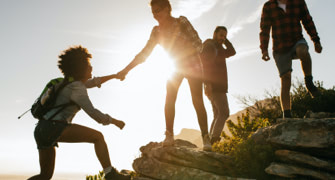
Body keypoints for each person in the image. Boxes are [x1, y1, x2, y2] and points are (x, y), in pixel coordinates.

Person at [117, 0, 212, 151]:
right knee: (170, 98)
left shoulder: (181, 22)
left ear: (168, 9)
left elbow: (198, 44)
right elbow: (144, 54)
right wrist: (125, 70)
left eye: (158, 10)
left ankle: (206, 138)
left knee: (197, 100)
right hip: (174, 66)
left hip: (192, 65)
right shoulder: (156, 31)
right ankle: (169, 135)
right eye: (153, 12)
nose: (155, 15)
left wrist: (184, 51)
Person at [28, 46, 130, 180]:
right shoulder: (77, 88)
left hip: (41, 129)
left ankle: (110, 173)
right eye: (89, 66)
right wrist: (114, 121)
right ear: (80, 69)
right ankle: (110, 173)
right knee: (98, 137)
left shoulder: (68, 83)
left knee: (44, 175)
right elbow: (93, 113)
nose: (91, 68)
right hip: (54, 127)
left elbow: (93, 82)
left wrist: (114, 76)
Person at [260, 0, 322, 118]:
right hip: (280, 47)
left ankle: (309, 82)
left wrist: (316, 40)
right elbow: (265, 29)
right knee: (286, 79)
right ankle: (287, 114)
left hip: (296, 40)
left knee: (303, 51)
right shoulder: (269, 6)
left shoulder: (298, 2)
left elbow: (307, 21)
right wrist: (264, 49)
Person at [201, 26, 236, 144]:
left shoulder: (220, 48)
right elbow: (205, 65)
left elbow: (232, 51)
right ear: (214, 34)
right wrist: (207, 84)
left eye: (225, 36)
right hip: (214, 85)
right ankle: (213, 140)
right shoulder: (210, 46)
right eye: (221, 35)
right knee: (224, 112)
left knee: (217, 114)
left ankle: (209, 142)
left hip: (218, 85)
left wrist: (224, 41)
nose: (223, 38)